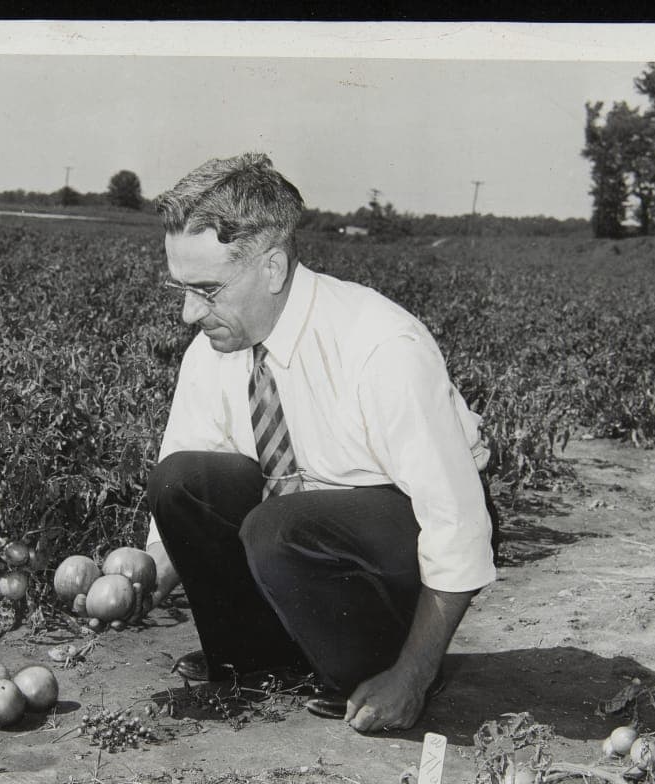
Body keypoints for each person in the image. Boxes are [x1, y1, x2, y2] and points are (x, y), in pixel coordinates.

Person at [140, 153, 497, 734]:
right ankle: (256, 661)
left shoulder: (381, 346)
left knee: (278, 526)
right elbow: (186, 487)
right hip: (306, 534)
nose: (187, 313)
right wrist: (143, 578)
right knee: (181, 481)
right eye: (179, 288)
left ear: (274, 268)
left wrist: (413, 675)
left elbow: (458, 523)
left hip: (399, 537)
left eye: (205, 290)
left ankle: (375, 665)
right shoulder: (212, 352)